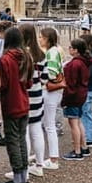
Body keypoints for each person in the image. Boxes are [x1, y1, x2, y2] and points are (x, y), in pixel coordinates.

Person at [0, 27, 33, 183]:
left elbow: (3, 84)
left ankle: (18, 181)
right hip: (24, 101)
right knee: (21, 140)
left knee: (12, 141)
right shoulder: (26, 56)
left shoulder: (5, 59)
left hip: (11, 102)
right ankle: (23, 176)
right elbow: (29, 83)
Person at [19, 22, 47, 178]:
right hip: (37, 95)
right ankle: (39, 165)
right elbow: (45, 78)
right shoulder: (41, 54)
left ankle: (24, 169)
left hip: (25, 96)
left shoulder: (22, 54)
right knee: (36, 130)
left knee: (24, 133)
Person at [61, 38, 92, 161]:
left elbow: (71, 84)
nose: (69, 49)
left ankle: (77, 150)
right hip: (81, 94)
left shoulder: (74, 64)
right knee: (78, 122)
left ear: (76, 50)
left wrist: (65, 100)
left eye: (71, 47)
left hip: (74, 96)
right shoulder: (84, 62)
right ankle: (84, 147)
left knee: (73, 123)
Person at [39, 27, 64, 170]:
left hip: (50, 91)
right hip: (54, 92)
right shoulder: (53, 51)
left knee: (49, 125)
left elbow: (52, 75)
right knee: (48, 125)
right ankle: (49, 156)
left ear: (48, 39)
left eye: (41, 37)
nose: (39, 39)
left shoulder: (52, 53)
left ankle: (53, 159)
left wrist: (40, 79)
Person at [80, 34, 92, 149]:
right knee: (88, 112)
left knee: (86, 113)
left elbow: (88, 75)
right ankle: (88, 136)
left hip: (88, 88)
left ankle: (89, 138)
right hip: (91, 88)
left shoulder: (91, 58)